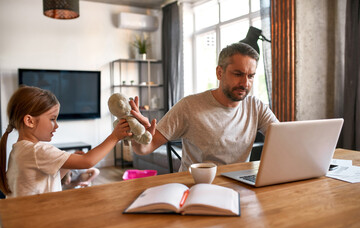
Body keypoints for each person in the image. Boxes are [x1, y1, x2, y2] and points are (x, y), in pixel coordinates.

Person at [130, 42, 279, 172]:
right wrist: (138, 137)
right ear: (219, 73)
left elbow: (283, 140)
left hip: (239, 187)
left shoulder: (256, 107)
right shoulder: (189, 106)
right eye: (238, 74)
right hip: (197, 188)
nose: (245, 83)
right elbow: (145, 148)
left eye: (251, 76)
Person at [0, 86, 132, 198]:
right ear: (29, 121)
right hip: (40, 220)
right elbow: (88, 161)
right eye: (52, 119)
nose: (56, 126)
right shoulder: (37, 151)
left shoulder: (19, 150)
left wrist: (66, 162)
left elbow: (46, 179)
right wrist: (115, 136)